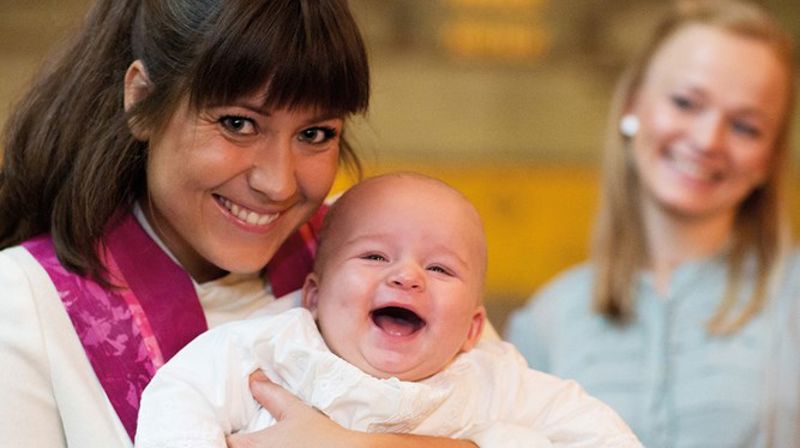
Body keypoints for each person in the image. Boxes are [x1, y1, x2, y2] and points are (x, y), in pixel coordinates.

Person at [0, 1, 487, 447]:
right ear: (142, 98)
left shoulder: (369, 257)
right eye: (238, 123)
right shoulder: (27, 300)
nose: (277, 183)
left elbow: (542, 419)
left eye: (315, 133)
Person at [134, 172, 642, 448]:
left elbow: (596, 432)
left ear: (473, 328)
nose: (407, 276)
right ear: (313, 295)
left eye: (440, 269)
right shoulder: (273, 351)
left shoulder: (491, 380)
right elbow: (181, 395)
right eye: (375, 256)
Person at [505, 1, 798, 447]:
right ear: (632, 105)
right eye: (685, 102)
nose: (707, 140)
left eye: (746, 127)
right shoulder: (546, 321)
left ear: (770, 159)